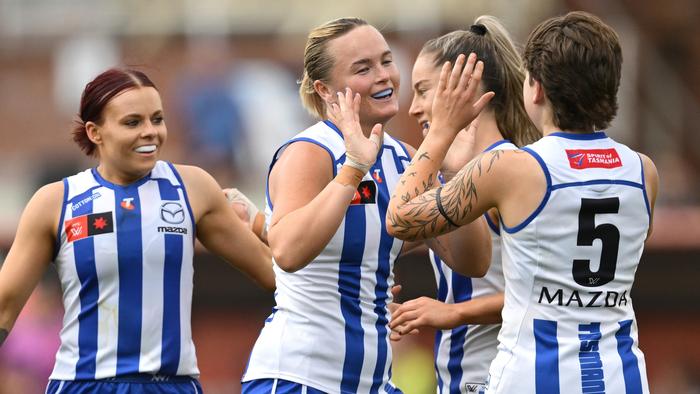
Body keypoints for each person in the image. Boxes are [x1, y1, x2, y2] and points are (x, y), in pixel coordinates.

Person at [386, 11, 657, 394]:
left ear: (537, 88)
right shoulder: (644, 171)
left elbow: (400, 218)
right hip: (621, 375)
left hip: (534, 377)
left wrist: (441, 132)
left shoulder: (512, 167)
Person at [241, 17, 491, 394]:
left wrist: (456, 173)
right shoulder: (311, 151)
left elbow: (471, 261)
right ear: (325, 89)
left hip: (371, 382)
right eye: (363, 68)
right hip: (301, 378)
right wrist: (353, 169)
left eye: (386, 61)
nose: (384, 76)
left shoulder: (405, 158)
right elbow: (287, 252)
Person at [0, 68, 275, 393]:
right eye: (133, 122)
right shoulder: (56, 201)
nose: (150, 132)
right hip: (84, 385)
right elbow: (5, 306)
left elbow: (272, 272)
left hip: (171, 385)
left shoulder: (193, 187)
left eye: (157, 119)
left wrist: (261, 224)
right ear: (95, 132)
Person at [389, 16, 540, 394]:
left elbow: (548, 293)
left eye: (423, 90)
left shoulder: (508, 168)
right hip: (459, 378)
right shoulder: (454, 174)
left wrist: (455, 312)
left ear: (462, 86)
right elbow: (392, 231)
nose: (413, 107)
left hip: (500, 377)